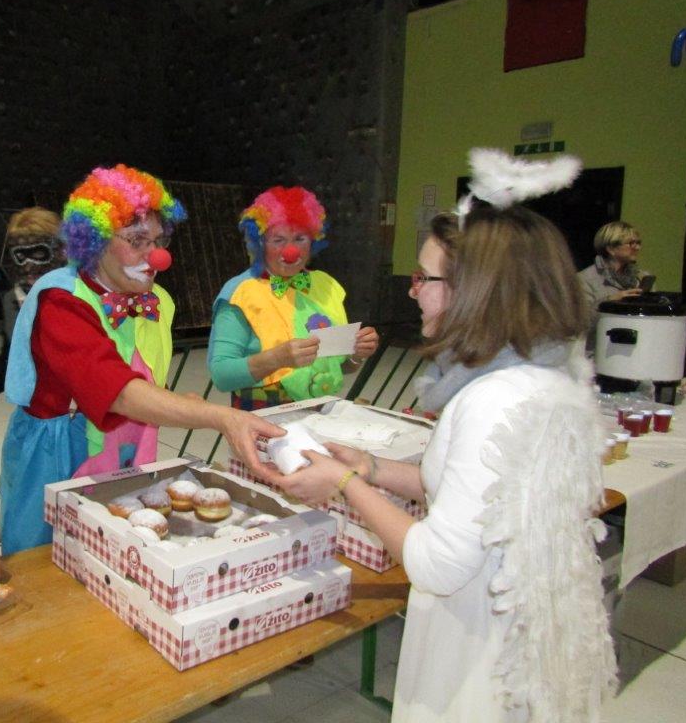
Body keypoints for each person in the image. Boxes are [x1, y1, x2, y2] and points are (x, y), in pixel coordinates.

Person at [257, 150, 617, 722]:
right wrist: (374, 468)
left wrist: (346, 483)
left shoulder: (491, 400)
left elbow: (437, 565)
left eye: (425, 278)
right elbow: (475, 495)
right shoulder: (545, 373)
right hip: (517, 632)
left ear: (477, 290)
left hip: (479, 652)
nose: (412, 290)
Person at [0, 164, 284, 553]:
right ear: (95, 242)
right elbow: (118, 390)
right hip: (59, 453)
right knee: (43, 559)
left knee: (112, 554)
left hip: (129, 445)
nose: (157, 256)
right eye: (137, 240)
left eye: (158, 240)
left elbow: (142, 376)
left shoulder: (158, 301)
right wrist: (219, 416)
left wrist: (174, 400)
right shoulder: (61, 300)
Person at [208, 186, 379, 410]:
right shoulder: (241, 292)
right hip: (263, 412)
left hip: (321, 408)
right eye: (278, 240)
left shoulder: (325, 286)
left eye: (300, 239)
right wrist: (277, 358)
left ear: (313, 241)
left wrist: (357, 354)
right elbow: (221, 376)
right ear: (260, 244)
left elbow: (340, 365)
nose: (291, 251)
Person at [0, 207, 64, 401]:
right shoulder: (13, 301)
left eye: (38, 253)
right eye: (21, 255)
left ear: (59, 252)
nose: (28, 265)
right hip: (36, 407)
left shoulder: (78, 295)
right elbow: (12, 354)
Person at [578, 220, 646, 310]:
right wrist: (609, 301)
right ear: (611, 249)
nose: (637, 248)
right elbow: (580, 316)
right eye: (631, 243)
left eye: (638, 243)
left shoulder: (641, 277)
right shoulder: (585, 279)